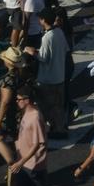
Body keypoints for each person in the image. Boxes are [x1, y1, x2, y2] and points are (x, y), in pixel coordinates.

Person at [5, 87, 75, 186]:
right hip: (24, 164)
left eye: (18, 99)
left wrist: (20, 162)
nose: (16, 102)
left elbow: (38, 144)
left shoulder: (35, 117)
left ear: (27, 100)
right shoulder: (27, 113)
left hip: (34, 165)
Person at [35, 9, 69, 138]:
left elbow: (43, 58)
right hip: (59, 76)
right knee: (58, 106)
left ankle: (54, 129)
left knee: (46, 105)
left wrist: (33, 52)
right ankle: (60, 127)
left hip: (48, 79)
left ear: (43, 20)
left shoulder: (47, 37)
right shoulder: (59, 32)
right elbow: (65, 49)